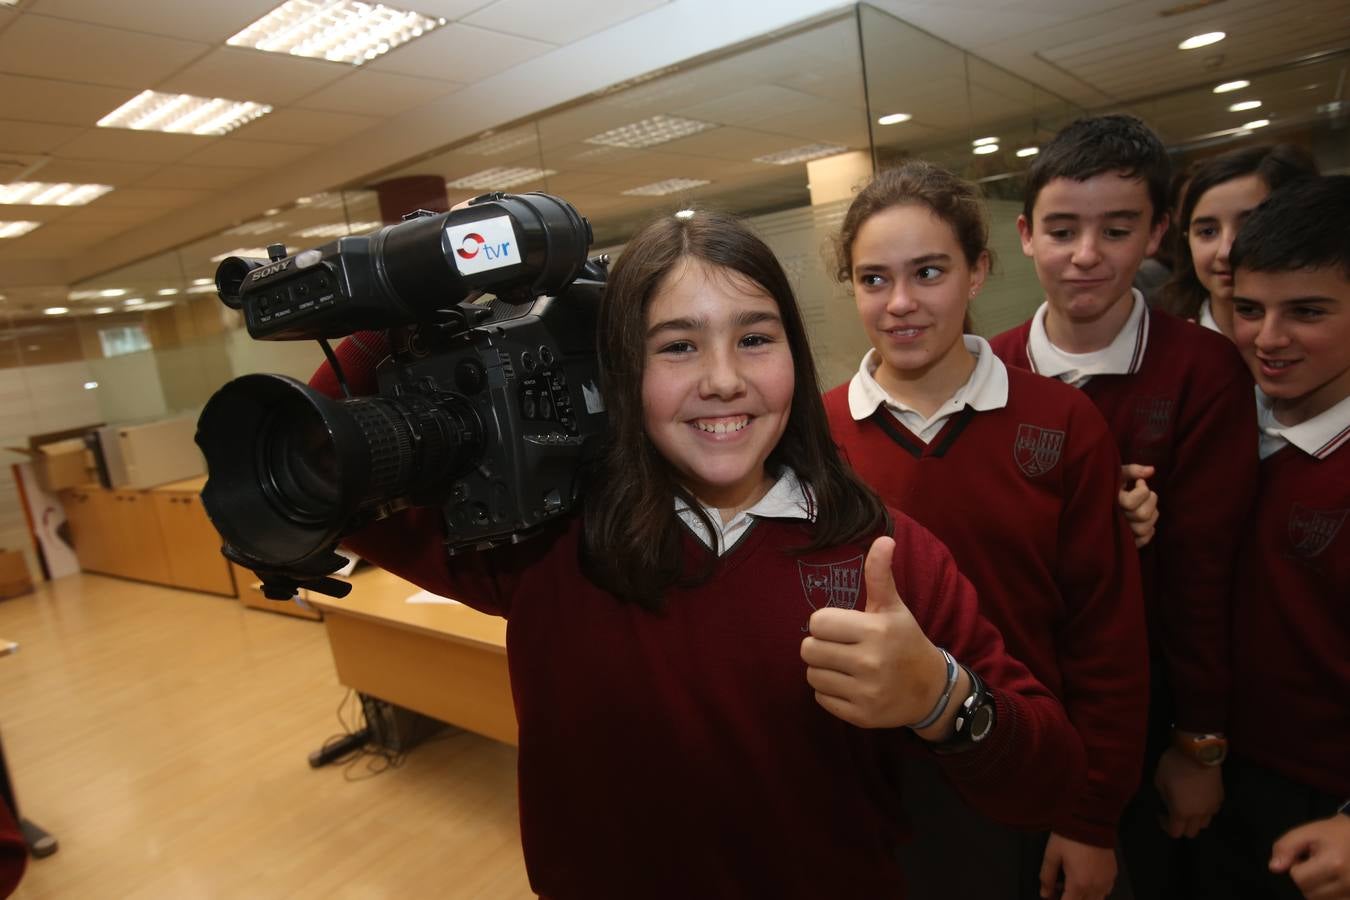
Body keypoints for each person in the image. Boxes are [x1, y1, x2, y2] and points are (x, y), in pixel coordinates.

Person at [308, 209, 1086, 899]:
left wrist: (940, 697)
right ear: (620, 372)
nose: (723, 380)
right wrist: (427, 272)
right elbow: (326, 464)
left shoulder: (883, 553)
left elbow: (1043, 776)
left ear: (796, 353)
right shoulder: (545, 543)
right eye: (676, 347)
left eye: (754, 338)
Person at [823, 162, 1148, 900]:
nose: (900, 303)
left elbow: (1107, 641)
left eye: (929, 272)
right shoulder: (816, 437)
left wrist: (1091, 818)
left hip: (1030, 780)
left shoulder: (1062, 423)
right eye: (873, 279)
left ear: (978, 273)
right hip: (875, 801)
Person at [988, 114, 1259, 899]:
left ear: (1157, 233)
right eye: (1062, 228)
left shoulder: (1202, 368)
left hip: (1148, 703)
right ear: (1025, 234)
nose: (1085, 255)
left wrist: (1199, 741)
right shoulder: (988, 365)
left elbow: (1206, 572)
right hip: (1014, 697)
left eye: (1116, 229)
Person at [1202, 175, 1350, 900]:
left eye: (1308, 312)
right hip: (1227, 773)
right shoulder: (1228, 422)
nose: (1269, 337)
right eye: (1249, 310)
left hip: (1328, 805)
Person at [1160, 144, 1318, 338]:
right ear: (1187, 241)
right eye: (1207, 232)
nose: (1225, 251)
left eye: (1249, 226)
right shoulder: (1164, 343)